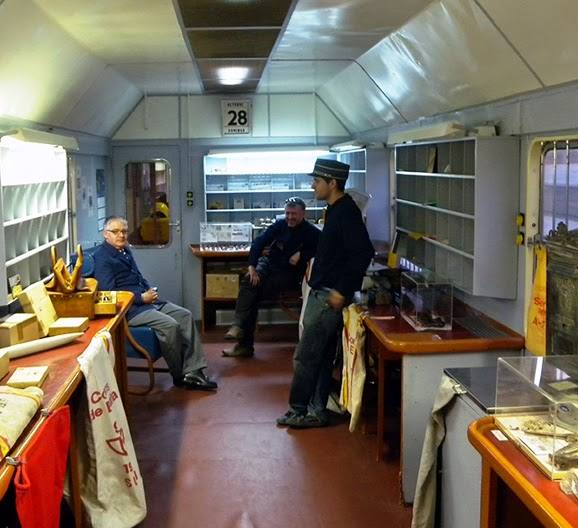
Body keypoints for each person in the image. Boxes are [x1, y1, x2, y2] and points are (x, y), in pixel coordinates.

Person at [276, 158, 374, 428]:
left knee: (306, 356)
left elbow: (363, 253)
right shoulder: (334, 210)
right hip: (322, 291)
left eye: (317, 181)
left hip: (328, 296)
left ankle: (298, 410)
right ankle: (315, 410)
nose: (313, 185)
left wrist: (342, 290)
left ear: (333, 184)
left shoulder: (346, 212)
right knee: (319, 356)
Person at [93, 216, 217, 391]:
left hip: (147, 301)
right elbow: (109, 293)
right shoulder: (102, 258)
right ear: (106, 234)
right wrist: (141, 297)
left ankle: (194, 370)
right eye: (115, 232)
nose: (121, 235)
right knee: (170, 325)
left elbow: (138, 276)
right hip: (130, 310)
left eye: (124, 231)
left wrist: (149, 290)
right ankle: (180, 375)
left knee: (185, 315)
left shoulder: (125, 251)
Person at [222, 197, 320, 358]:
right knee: (249, 280)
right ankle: (239, 329)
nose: (290, 217)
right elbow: (259, 242)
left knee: (252, 292)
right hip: (268, 266)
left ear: (304, 213)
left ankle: (242, 339)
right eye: (287, 213)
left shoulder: (312, 232)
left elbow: (325, 250)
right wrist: (252, 266)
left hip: (289, 275)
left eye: (294, 214)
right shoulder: (280, 225)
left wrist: (303, 254)